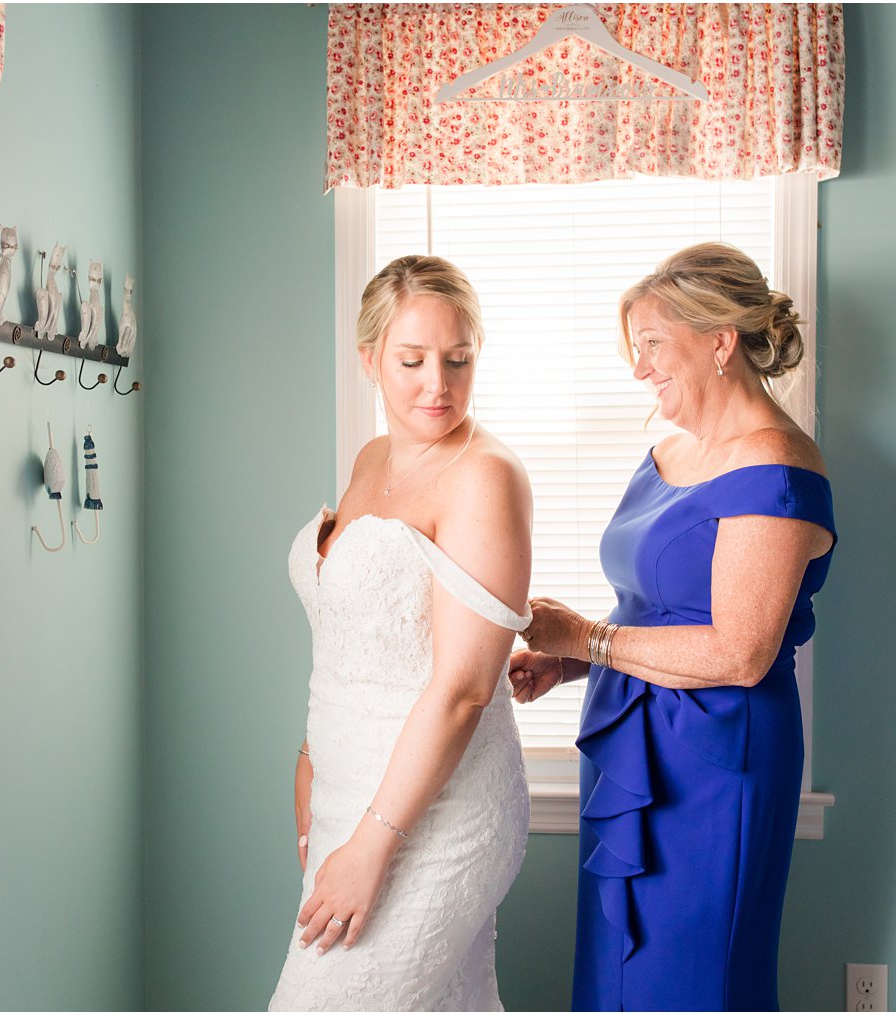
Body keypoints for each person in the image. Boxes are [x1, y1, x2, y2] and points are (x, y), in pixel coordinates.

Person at [510, 242, 836, 1012]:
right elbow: (654, 610)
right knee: (619, 972)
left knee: (697, 976)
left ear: (719, 342)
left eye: (653, 344)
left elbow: (739, 650)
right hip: (632, 743)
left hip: (716, 760)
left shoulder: (777, 468)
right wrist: (577, 664)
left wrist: (586, 638)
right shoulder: (668, 454)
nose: (640, 368)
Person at [269, 255, 534, 1011]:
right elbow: (348, 639)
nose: (437, 385)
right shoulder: (373, 458)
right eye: (412, 360)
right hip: (340, 797)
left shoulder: (485, 475)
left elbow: (461, 688)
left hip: (436, 813)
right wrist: (310, 769)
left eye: (458, 359)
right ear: (369, 359)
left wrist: (373, 843)